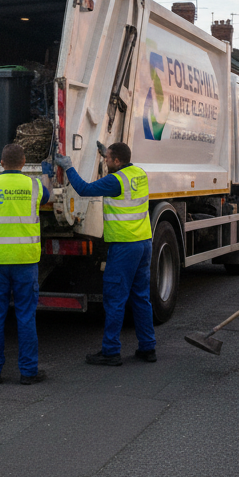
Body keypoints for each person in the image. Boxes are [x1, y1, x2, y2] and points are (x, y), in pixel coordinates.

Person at [54, 142, 156, 365]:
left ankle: (110, 351)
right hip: (143, 243)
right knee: (141, 298)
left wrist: (69, 167)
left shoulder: (115, 181)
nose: (106, 161)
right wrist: (104, 155)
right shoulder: (139, 173)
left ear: (117, 162)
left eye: (108, 158)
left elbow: (84, 189)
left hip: (124, 246)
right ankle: (148, 348)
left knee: (115, 299)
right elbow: (122, 179)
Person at [0, 143, 49, 385]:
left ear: (1, 163)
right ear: (24, 162)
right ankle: (28, 373)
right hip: (26, 261)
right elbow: (46, 198)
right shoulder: (34, 185)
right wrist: (47, 174)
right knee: (26, 316)